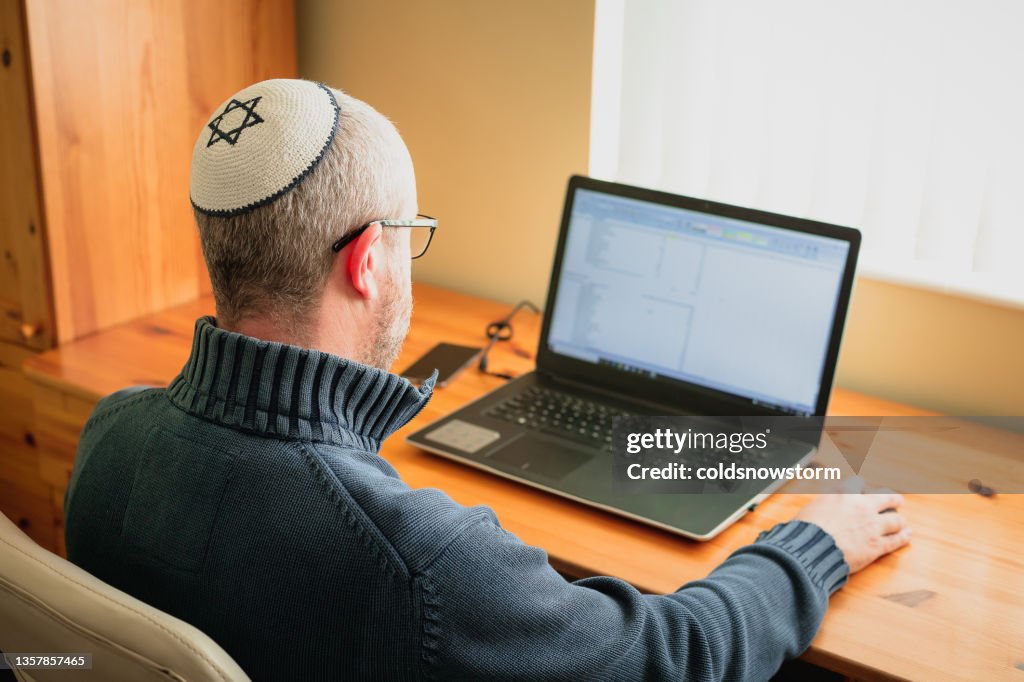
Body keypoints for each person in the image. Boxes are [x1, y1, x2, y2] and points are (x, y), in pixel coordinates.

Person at [64, 79, 911, 682]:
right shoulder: (424, 563)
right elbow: (669, 656)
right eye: (410, 234)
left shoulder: (108, 437)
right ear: (367, 261)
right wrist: (816, 547)